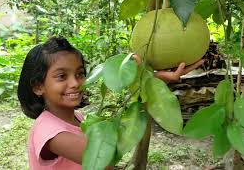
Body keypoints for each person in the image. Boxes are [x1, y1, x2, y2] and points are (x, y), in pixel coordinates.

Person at [17, 36, 204, 170]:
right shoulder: (50, 133)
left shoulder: (77, 118)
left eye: (80, 74)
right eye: (61, 76)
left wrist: (153, 79)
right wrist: (141, 79)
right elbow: (105, 159)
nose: (75, 83)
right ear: (38, 86)